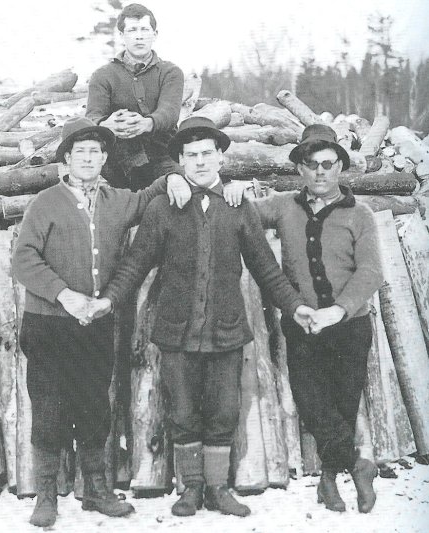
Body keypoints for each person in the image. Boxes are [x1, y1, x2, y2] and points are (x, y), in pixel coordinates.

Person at [87, 116, 315, 518]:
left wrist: (295, 306)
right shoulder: (162, 207)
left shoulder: (238, 206)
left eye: (207, 153)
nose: (200, 161)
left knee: (224, 410)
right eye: (191, 156)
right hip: (176, 331)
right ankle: (190, 489)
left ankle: (217, 489)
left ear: (221, 157)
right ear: (180, 162)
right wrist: (108, 300)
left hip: (226, 330)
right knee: (183, 412)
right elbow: (135, 264)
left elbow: (266, 269)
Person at [12, 116, 191, 528]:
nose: (89, 158)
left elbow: (150, 194)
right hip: (50, 325)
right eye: (80, 152)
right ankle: (46, 496)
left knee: (95, 406)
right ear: (66, 160)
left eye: (96, 152)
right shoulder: (46, 202)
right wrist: (65, 295)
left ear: (105, 158)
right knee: (51, 409)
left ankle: (96, 490)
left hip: (94, 325)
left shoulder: (116, 200)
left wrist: (174, 178)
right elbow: (24, 260)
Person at [246, 124, 384, 513]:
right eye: (311, 165)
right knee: (311, 399)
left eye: (328, 163)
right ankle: (357, 464)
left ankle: (328, 478)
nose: (320, 172)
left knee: (343, 399)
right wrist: (234, 192)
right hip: (302, 324)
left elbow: (371, 272)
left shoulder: (360, 214)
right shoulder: (283, 206)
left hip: (350, 324)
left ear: (340, 166)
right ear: (300, 170)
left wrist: (337, 310)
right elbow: (241, 215)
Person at [86, 3, 185, 190]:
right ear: (122, 36)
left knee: (181, 189)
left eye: (145, 30)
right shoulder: (102, 75)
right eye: (132, 30)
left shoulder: (170, 72)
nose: (139, 36)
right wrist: (106, 125)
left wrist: (146, 124)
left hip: (163, 155)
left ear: (155, 35)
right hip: (118, 160)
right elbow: (92, 117)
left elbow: (170, 112)